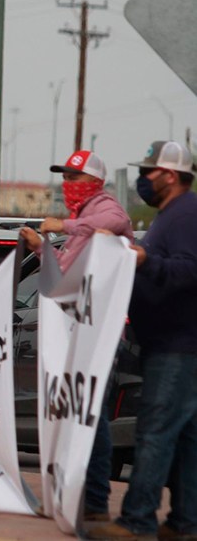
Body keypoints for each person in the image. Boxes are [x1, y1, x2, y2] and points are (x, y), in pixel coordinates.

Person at [89, 141, 197, 540]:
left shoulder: (185, 214)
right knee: (185, 439)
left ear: (170, 175)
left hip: (177, 346)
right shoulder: (172, 215)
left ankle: (137, 521)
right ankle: (185, 523)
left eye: (149, 172)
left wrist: (145, 259)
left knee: (154, 431)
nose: (142, 180)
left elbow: (190, 270)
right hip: (170, 344)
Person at [19, 150, 133, 524]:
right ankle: (71, 493)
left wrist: (63, 226)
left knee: (90, 414)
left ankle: (96, 500)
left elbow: (116, 222)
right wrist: (42, 248)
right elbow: (68, 269)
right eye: (65, 177)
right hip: (75, 329)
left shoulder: (105, 210)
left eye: (75, 177)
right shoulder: (84, 219)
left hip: (97, 331)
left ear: (95, 182)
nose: (68, 184)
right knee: (74, 413)